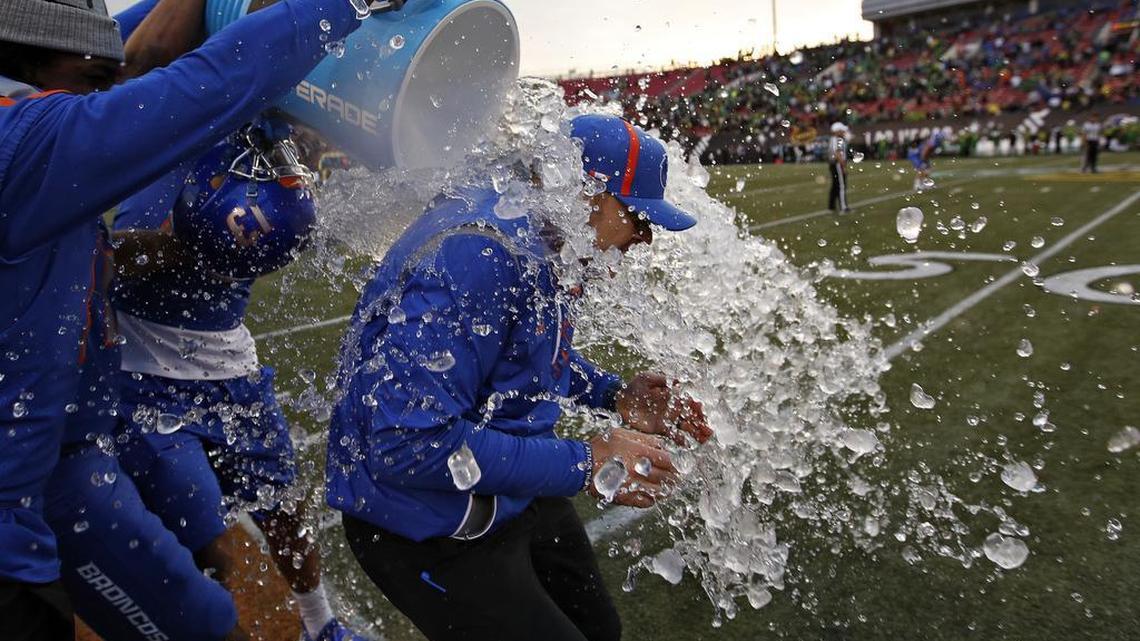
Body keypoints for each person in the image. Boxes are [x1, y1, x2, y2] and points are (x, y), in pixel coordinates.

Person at [0, 0, 364, 638]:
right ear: (25, 61)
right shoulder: (21, 136)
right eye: (90, 81)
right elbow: (200, 84)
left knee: (203, 616)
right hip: (27, 476)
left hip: (62, 451)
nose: (107, 89)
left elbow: (128, 55)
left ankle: (316, 622)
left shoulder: (31, 125)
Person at [327, 113, 713, 641]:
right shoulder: (482, 252)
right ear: (586, 194)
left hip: (497, 479)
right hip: (420, 518)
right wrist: (588, 460)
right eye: (637, 217)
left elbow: (519, 348)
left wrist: (612, 394)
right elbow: (407, 443)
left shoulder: (540, 232)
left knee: (599, 628)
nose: (644, 239)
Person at [112, 119, 373, 641]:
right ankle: (208, 624)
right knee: (200, 531)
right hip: (143, 369)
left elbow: (285, 217)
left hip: (228, 363)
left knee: (283, 506)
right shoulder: (158, 128)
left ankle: (320, 625)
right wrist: (184, 246)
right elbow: (107, 257)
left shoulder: (263, 148)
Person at [828, 122, 851, 214]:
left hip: (834, 164)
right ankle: (843, 207)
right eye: (842, 130)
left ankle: (831, 206)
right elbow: (838, 153)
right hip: (837, 164)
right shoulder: (837, 139)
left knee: (835, 185)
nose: (843, 132)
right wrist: (843, 166)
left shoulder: (833, 139)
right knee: (841, 186)